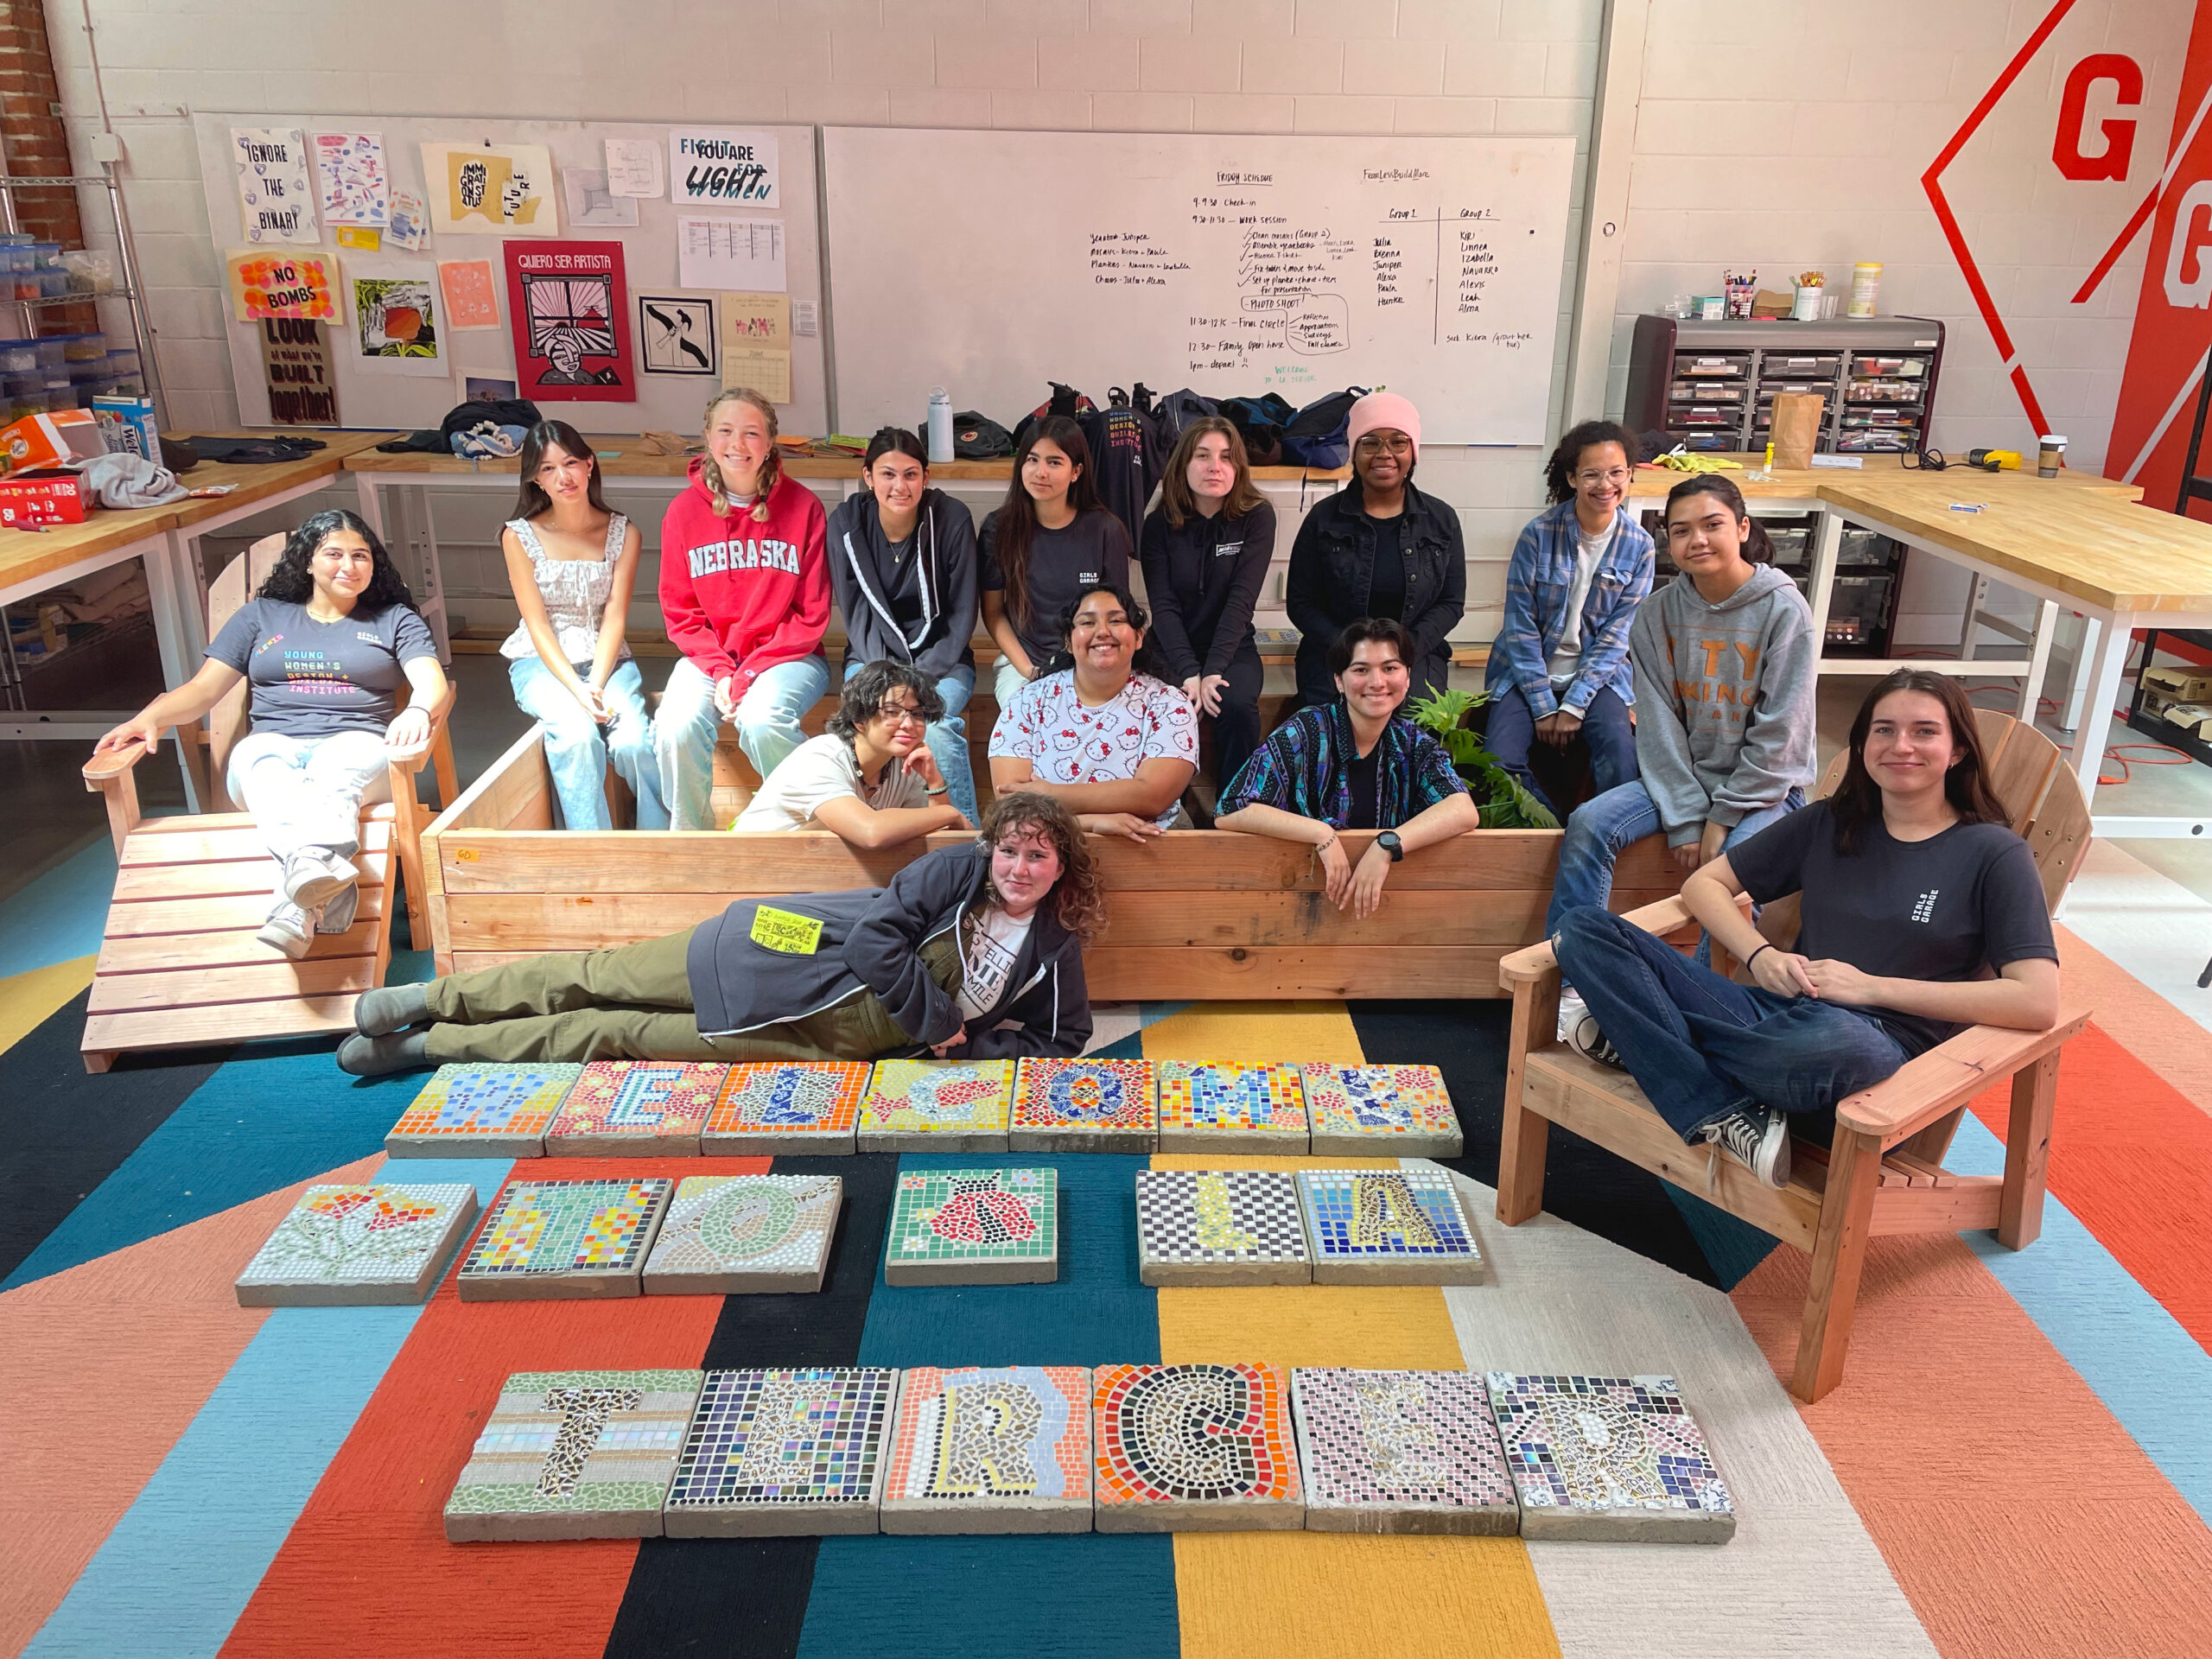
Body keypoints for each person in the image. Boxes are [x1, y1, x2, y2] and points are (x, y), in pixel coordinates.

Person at [1553, 671, 2061, 1190]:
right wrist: (1759, 955)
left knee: (1834, 1043)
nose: (1901, 746)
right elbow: (1704, 886)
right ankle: (1727, 1109)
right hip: (1778, 1016)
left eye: (1925, 732)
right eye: (1883, 730)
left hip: (1873, 1058)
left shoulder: (1994, 854)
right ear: (1862, 745)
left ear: (1957, 751)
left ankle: (1645, 1042)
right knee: (1583, 929)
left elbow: (2036, 1000)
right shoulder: (1829, 823)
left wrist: (1871, 988)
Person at [337, 793, 1102, 1072]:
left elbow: (1062, 1040)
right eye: (1011, 850)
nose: (1021, 868)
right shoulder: (955, 875)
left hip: (818, 1040)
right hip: (768, 952)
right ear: (992, 849)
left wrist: (972, 1047)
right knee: (596, 975)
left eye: (1039, 856)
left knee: (613, 1036)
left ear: (1060, 866)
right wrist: (939, 1023)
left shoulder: (1052, 949)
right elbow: (875, 944)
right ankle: (428, 998)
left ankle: (431, 1046)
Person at [92, 510, 448, 958]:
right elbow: (204, 689)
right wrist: (152, 716)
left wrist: (417, 708)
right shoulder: (261, 617)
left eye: (361, 556)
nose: (349, 565)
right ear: (307, 562)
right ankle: (316, 891)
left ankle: (296, 908)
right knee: (259, 760)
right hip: (275, 743)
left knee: (336, 770)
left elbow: (431, 682)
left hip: (357, 745)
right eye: (333, 553)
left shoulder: (393, 619)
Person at [1548, 471, 1816, 1046]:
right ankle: (1573, 985)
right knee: (1589, 823)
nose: (1697, 539)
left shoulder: (1783, 611)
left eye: (1713, 525)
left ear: (1742, 528)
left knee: (1731, 879)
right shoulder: (1657, 614)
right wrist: (1690, 814)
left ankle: (1695, 1009)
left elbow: (1781, 736)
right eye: (1681, 530)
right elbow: (1659, 724)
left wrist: (1719, 819)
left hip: (1765, 791)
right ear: (1666, 543)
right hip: (1681, 781)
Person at [1216, 618, 1478, 918]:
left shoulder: (1412, 742)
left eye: (1390, 668)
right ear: (1339, 680)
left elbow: (1463, 810)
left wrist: (1386, 845)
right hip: (1294, 904)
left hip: (1387, 914)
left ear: (1407, 678)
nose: (1377, 682)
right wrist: (1321, 833)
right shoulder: (1306, 730)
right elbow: (1231, 809)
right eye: (1361, 670)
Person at [657, 385, 832, 829]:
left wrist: (750, 673)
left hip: (788, 655)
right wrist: (720, 670)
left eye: (752, 433)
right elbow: (681, 612)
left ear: (771, 442)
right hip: (710, 660)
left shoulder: (804, 507)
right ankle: (693, 842)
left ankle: (806, 826)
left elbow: (810, 615)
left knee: (763, 720)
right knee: (675, 726)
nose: (738, 444)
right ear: (708, 438)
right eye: (726, 431)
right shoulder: (682, 513)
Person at [499, 421, 664, 831]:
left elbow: (615, 616)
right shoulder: (518, 536)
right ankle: (593, 853)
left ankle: (660, 841)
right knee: (576, 737)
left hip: (607, 660)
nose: (563, 477)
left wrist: (597, 682)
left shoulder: (624, 532)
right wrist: (578, 690)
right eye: (548, 469)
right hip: (540, 661)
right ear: (536, 480)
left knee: (635, 743)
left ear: (590, 464)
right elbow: (536, 624)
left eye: (570, 462)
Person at [1484, 420, 1653, 817]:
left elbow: (1617, 637)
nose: (1605, 484)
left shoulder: (1640, 546)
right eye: (1591, 474)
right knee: (1497, 761)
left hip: (1599, 676)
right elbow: (1519, 628)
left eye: (1616, 472)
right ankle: (1549, 832)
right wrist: (1544, 706)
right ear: (1572, 477)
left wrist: (1574, 705)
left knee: (1621, 755)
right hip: (1526, 671)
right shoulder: (1537, 535)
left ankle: (1599, 833)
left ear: (1630, 474)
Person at [825, 426, 982, 825]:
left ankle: (966, 845)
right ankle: (864, 828)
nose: (900, 486)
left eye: (911, 474)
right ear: (868, 477)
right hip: (872, 656)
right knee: (862, 723)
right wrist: (891, 683)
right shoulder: (847, 522)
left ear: (926, 478)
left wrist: (916, 681)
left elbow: (963, 612)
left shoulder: (950, 519)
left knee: (938, 727)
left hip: (943, 658)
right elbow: (856, 612)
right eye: (887, 474)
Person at [1285, 391, 1465, 711]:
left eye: (1398, 442)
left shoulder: (1441, 520)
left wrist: (1404, 650)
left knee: (1416, 730)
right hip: (1336, 653)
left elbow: (1451, 603)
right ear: (1354, 451)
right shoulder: (1323, 519)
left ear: (1413, 451)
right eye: (1370, 443)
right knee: (1329, 727)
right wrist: (1352, 651)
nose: (1385, 453)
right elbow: (1301, 604)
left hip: (1415, 654)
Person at [988, 582, 1198, 842]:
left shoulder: (1169, 703)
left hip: (1151, 843)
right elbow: (1012, 803)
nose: (1103, 631)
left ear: (1139, 637)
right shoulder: (1027, 700)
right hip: (1046, 842)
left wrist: (1047, 793)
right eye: (1087, 623)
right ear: (1068, 641)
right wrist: (1091, 823)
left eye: (1116, 620)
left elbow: (1153, 796)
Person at [1141, 416, 1274, 792]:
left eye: (1226, 457)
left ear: (1238, 468)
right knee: (1171, 709)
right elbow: (1162, 606)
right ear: (1183, 464)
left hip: (1232, 647)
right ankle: (1166, 811)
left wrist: (1213, 670)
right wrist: (1188, 673)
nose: (1215, 466)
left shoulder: (1257, 517)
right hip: (1169, 647)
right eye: (1202, 455)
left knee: (1235, 707)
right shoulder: (1158, 525)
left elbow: (1241, 601)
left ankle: (1235, 808)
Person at [979, 415, 1133, 709]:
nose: (1040, 472)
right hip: (1024, 663)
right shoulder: (998, 528)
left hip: (1092, 660)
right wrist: (1030, 672)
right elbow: (994, 613)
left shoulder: (1105, 529)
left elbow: (1116, 616)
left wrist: (1088, 669)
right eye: (1032, 460)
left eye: (1054, 462)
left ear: (1076, 471)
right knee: (1025, 717)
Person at [734, 658, 970, 847]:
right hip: (748, 881)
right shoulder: (822, 756)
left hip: (817, 883)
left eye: (917, 714)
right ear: (859, 719)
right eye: (891, 711)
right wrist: (951, 813)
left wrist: (935, 781)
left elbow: (944, 842)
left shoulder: (904, 765)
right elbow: (870, 833)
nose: (908, 724)